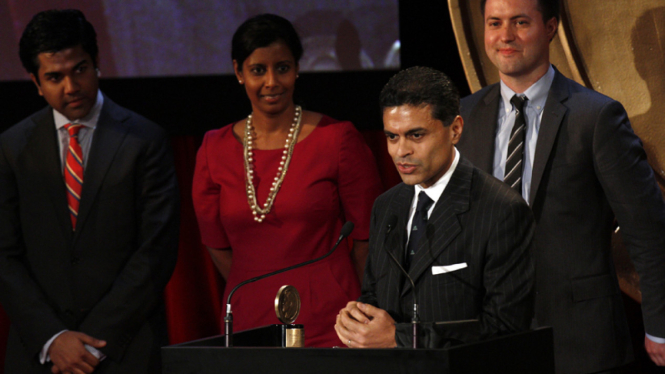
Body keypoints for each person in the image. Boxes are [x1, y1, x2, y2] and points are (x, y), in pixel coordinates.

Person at [457, 0, 665, 372]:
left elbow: (648, 232)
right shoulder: (465, 116)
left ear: (551, 27)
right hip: (489, 340)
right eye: (494, 23)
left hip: (580, 339)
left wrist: (660, 327)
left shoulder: (597, 116)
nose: (505, 36)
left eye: (520, 22)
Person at [0, 9, 179, 374]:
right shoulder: (11, 147)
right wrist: (53, 338)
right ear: (35, 82)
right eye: (54, 77)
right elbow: (4, 255)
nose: (71, 86)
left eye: (79, 69)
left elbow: (155, 252)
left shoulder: (144, 140)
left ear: (96, 63)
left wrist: (93, 341)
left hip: (124, 349)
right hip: (41, 354)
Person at [192, 14, 382, 348]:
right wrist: (253, 286)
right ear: (238, 72)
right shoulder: (213, 149)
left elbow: (367, 236)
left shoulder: (337, 139)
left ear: (297, 68)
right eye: (257, 70)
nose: (271, 82)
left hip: (331, 316)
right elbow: (215, 243)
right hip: (249, 317)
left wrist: (338, 289)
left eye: (282, 68)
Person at [334, 66, 535, 348]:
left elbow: (506, 328)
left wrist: (399, 339)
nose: (401, 151)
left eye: (416, 135)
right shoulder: (386, 206)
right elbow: (374, 295)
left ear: (454, 129)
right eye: (392, 136)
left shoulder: (501, 211)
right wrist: (358, 319)